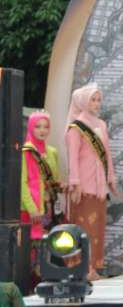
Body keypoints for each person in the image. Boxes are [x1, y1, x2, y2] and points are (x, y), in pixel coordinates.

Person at [65, 84, 117, 281]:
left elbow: (107, 155)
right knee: (84, 227)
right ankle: (81, 268)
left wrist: (110, 178)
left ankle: (94, 267)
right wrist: (75, 183)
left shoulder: (101, 125)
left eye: (98, 100)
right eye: (92, 100)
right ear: (82, 102)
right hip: (84, 185)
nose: (96, 104)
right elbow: (73, 158)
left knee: (97, 227)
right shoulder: (76, 127)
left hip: (100, 185)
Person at [21, 111, 63, 284]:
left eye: (46, 127)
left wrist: (62, 185)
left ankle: (45, 279)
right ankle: (29, 283)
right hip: (32, 207)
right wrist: (31, 208)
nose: (42, 130)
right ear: (31, 128)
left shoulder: (52, 152)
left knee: (48, 243)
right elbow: (22, 183)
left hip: (49, 206)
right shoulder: (26, 152)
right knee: (31, 246)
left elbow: (53, 180)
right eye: (38, 126)